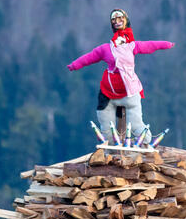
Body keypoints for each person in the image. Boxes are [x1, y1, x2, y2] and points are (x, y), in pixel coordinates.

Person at [67, 8, 174, 145]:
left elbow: (150, 45)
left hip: (129, 91)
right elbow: (89, 57)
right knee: (106, 128)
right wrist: (75, 65)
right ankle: (111, 145)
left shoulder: (132, 46)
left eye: (120, 19)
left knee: (136, 125)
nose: (117, 22)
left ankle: (144, 140)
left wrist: (166, 44)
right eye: (114, 20)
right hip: (108, 93)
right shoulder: (105, 49)